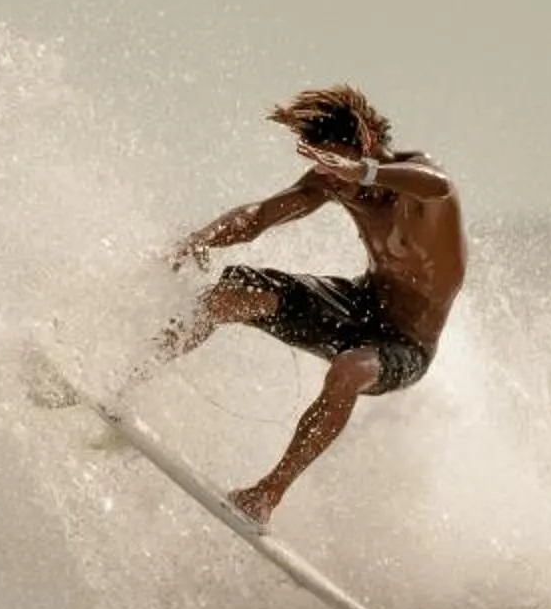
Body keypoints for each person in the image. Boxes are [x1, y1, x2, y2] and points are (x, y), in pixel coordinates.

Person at [130, 84, 465, 525]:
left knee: (349, 370)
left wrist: (360, 172)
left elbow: (439, 185)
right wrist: (199, 241)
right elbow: (260, 217)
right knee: (229, 295)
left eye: (332, 162)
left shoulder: (416, 185)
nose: (325, 175)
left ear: (362, 144)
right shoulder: (333, 181)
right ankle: (126, 378)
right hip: (358, 305)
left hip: (406, 343)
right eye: (319, 163)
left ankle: (267, 495)